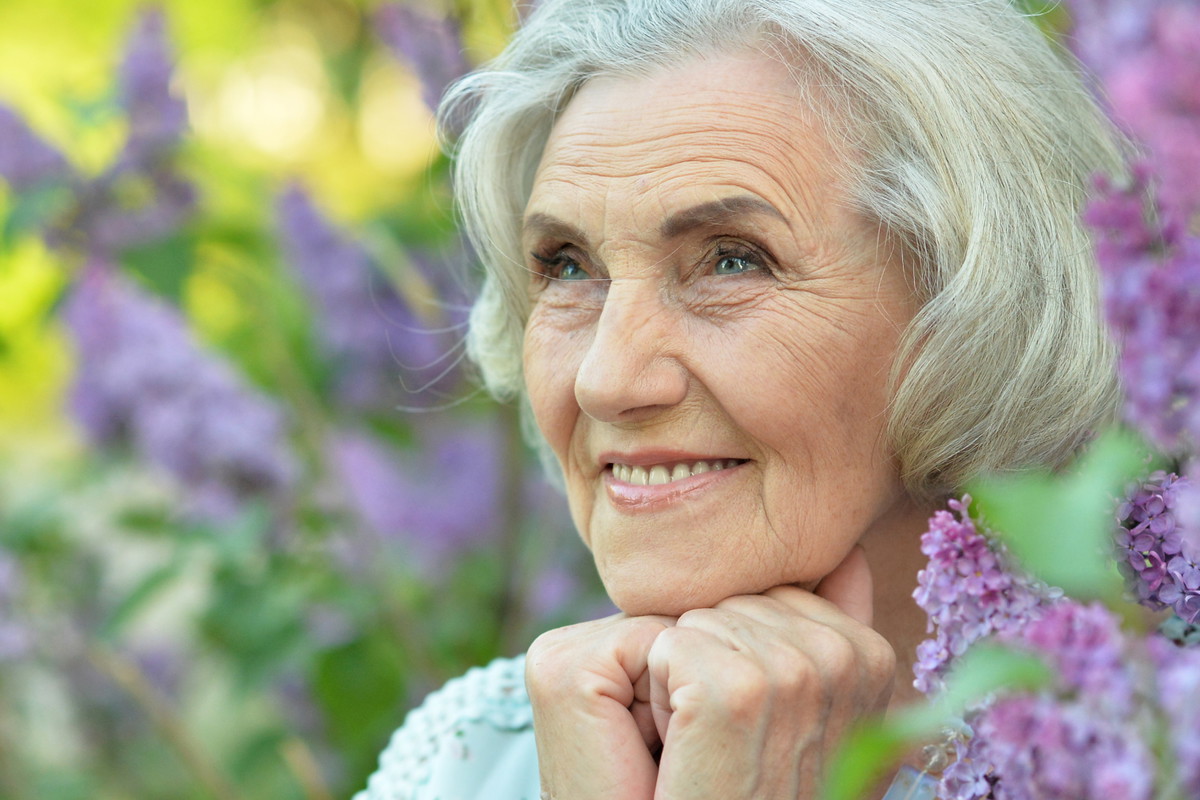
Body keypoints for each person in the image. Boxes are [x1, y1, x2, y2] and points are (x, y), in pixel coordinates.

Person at [356, 0, 1125, 797]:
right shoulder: (472, 756)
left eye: (731, 261)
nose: (606, 379)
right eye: (567, 266)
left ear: (976, 298)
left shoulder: (1151, 739)